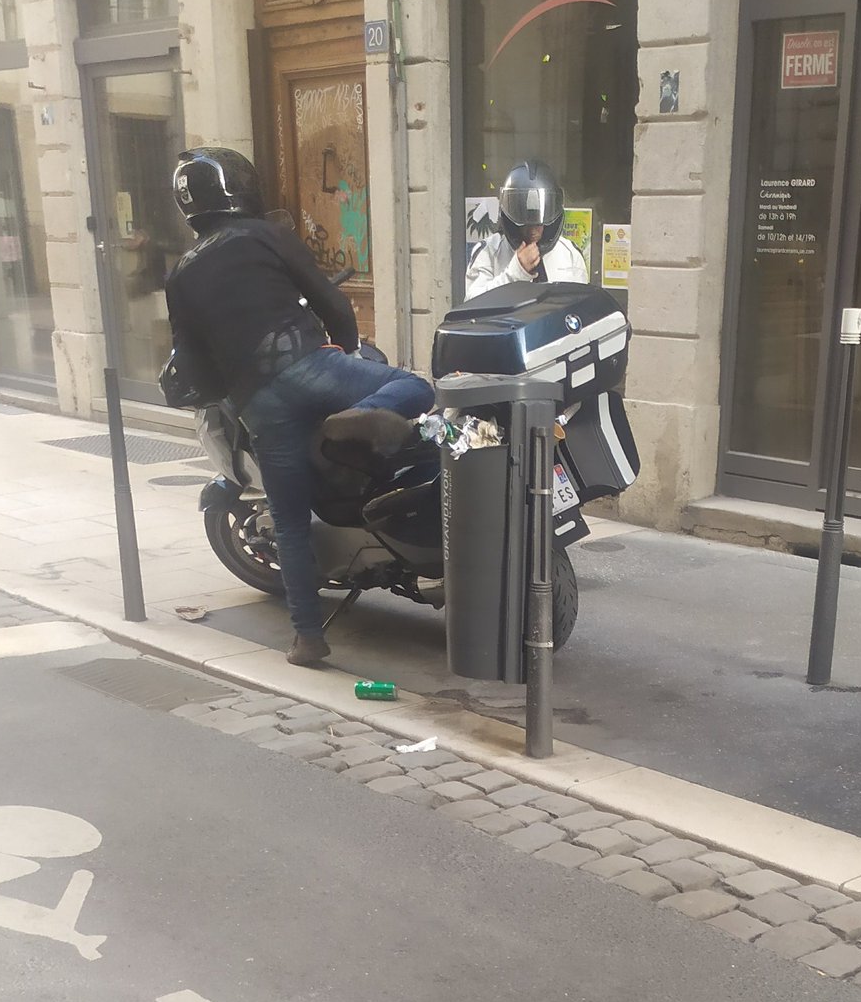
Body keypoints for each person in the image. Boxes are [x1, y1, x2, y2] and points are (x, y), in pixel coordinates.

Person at [164, 147, 434, 666]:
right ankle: (356, 418)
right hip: (310, 364)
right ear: (243, 186)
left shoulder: (180, 274)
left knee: (289, 522)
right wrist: (347, 350)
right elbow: (332, 302)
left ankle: (308, 638)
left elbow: (191, 358)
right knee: (415, 388)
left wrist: (234, 388)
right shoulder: (267, 235)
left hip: (258, 404)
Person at [464, 160, 589, 299]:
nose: (532, 231)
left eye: (538, 225)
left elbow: (582, 304)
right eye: (525, 225)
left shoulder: (570, 254)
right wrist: (515, 273)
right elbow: (473, 303)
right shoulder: (489, 251)